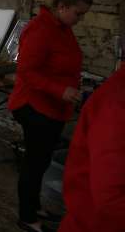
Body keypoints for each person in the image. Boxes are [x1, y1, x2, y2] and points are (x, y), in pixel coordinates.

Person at [8, 0, 92, 232]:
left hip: (53, 107)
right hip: (35, 106)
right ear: (63, 7)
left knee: (42, 161)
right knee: (34, 164)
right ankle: (27, 217)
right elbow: (26, 71)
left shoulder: (63, 29)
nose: (81, 19)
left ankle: (34, 207)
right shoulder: (40, 29)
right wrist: (60, 89)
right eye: (78, 14)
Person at [59, 67, 125, 232]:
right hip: (94, 223)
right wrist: (58, 89)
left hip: (58, 108)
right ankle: (29, 214)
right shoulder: (116, 102)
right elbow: (110, 196)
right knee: (36, 160)